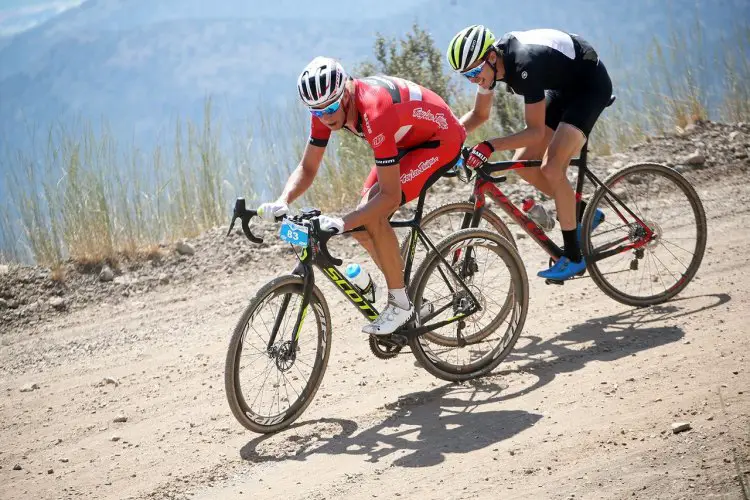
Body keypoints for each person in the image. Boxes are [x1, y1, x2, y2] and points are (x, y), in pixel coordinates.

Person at [257, 56, 466, 335]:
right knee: (361, 222)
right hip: (405, 139)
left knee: (372, 212)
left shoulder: (374, 110)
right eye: (317, 111)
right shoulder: (324, 106)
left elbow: (390, 197)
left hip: (439, 140)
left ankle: (401, 304)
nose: (327, 117)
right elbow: (308, 167)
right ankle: (409, 298)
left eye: (331, 107)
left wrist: (341, 222)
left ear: (345, 92)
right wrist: (283, 199)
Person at [447, 25, 610, 280]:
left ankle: (574, 257)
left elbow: (534, 131)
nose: (474, 79)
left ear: (491, 57)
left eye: (476, 72)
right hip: (565, 86)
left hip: (589, 87)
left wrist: (490, 145)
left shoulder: (524, 65)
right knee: (522, 163)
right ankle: (584, 213)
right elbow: (480, 114)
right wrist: (447, 140)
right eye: (467, 76)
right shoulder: (491, 66)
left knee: (552, 167)